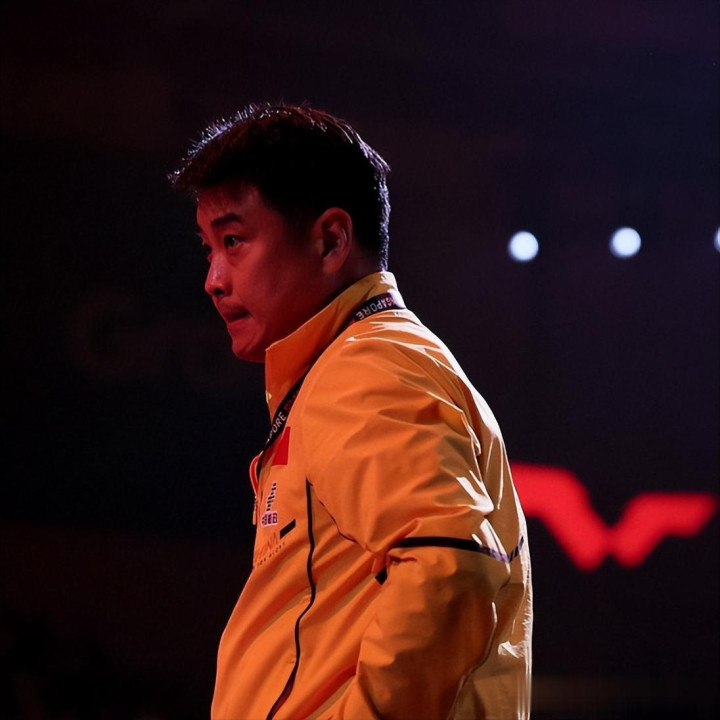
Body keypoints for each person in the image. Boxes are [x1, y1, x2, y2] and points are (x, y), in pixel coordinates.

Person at [171, 103, 532, 720]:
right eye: (208, 249)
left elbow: (453, 571)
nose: (214, 278)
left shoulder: (366, 366)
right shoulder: (362, 362)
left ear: (331, 240)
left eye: (234, 241)